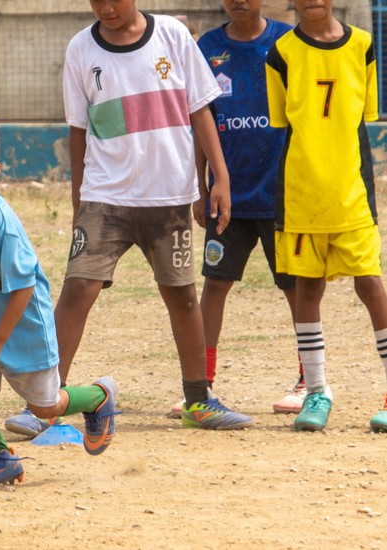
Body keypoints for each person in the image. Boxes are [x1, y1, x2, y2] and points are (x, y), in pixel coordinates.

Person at [12, 0, 254, 432]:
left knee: (181, 295)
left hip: (169, 196)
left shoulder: (173, 37)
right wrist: (77, 200)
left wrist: (220, 177)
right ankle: (42, 403)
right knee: (79, 288)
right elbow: (78, 130)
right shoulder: (80, 50)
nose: (106, 7)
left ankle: (198, 400)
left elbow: (200, 109)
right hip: (105, 197)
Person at [0, 113, 119, 490]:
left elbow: (22, 287)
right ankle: (1, 457)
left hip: (22, 326)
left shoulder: (0, 222)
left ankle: (98, 397)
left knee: (44, 407)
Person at [168, 0, 303, 419]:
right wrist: (198, 186)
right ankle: (201, 383)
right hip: (228, 196)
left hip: (282, 192)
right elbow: (198, 121)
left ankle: (308, 381)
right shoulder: (206, 47)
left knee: (295, 286)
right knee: (215, 284)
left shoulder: (287, 41)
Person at [265, 0, 387, 432]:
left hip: (351, 190)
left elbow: (361, 118)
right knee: (307, 287)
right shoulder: (279, 53)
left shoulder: (365, 45)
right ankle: (316, 391)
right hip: (301, 193)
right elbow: (285, 120)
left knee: (371, 284)